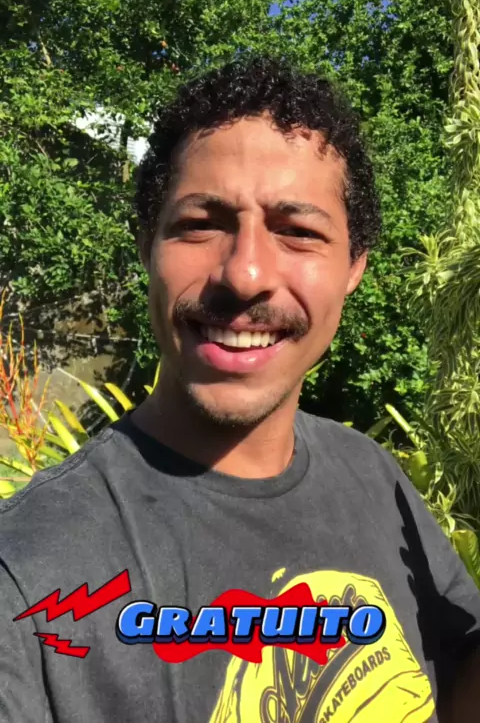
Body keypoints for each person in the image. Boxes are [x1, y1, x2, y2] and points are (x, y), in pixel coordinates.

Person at [0, 56, 479, 723]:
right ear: (145, 246)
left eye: (299, 232)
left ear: (353, 269)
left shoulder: (373, 478)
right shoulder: (26, 573)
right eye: (201, 223)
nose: (246, 273)